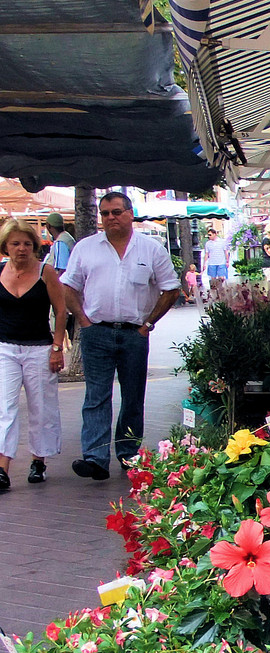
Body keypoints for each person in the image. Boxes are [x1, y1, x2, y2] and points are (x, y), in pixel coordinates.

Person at [61, 192, 181, 480]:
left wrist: (147, 325)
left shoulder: (150, 250)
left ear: (130, 214)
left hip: (133, 334)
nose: (110, 218)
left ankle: (128, 455)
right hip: (96, 332)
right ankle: (95, 457)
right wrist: (83, 321)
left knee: (132, 397)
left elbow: (171, 289)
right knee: (96, 396)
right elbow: (68, 286)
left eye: (116, 212)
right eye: (105, 214)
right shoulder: (86, 248)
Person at [0, 218, 67, 490]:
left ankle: (39, 460)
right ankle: (2, 468)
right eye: (16, 243)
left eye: (27, 243)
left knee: (41, 407)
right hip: (5, 347)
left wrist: (57, 347)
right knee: (5, 407)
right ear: (6, 246)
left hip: (39, 347)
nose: (22, 249)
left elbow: (61, 311)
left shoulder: (46, 272)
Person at [43, 213, 76, 344]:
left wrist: (53, 287)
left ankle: (58, 343)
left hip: (61, 287)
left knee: (57, 315)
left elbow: (61, 268)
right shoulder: (67, 238)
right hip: (67, 286)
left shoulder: (61, 242)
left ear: (48, 226)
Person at [201, 226, 228, 298]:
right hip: (212, 263)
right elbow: (206, 254)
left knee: (221, 277)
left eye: (210, 235)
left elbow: (226, 252)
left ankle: (221, 290)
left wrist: (227, 261)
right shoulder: (208, 243)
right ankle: (214, 292)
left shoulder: (222, 242)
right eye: (208, 235)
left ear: (215, 234)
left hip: (221, 262)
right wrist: (204, 263)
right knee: (213, 278)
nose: (209, 236)